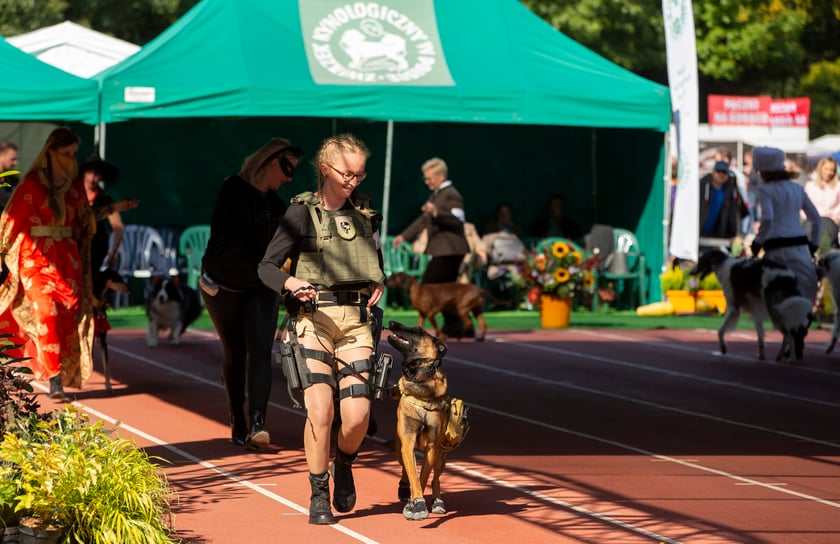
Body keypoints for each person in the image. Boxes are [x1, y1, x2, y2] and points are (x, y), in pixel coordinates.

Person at [258, 133, 384, 525]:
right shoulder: (299, 213)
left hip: (356, 323)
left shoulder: (365, 212)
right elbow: (266, 268)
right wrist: (290, 282)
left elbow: (374, 260)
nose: (353, 182)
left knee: (358, 416)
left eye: (359, 175)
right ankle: (318, 493)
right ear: (326, 169)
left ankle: (344, 461)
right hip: (312, 320)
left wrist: (379, 280)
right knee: (321, 409)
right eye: (347, 174)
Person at [200, 138, 302, 450]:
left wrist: (290, 277)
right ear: (271, 161)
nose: (289, 178)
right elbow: (232, 236)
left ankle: (259, 422)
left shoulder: (278, 206)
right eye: (287, 169)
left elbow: (291, 247)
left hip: (260, 284)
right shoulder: (232, 189)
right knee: (235, 351)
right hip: (224, 283)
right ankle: (237, 417)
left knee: (260, 349)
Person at [0, 127, 96, 400]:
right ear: (50, 152)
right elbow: (12, 219)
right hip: (36, 256)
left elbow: (84, 221)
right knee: (47, 312)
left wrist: (112, 210)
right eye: (66, 153)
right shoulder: (32, 183)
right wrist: (2, 252)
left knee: (67, 314)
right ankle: (55, 380)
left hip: (67, 259)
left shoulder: (75, 186)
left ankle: (59, 370)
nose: (70, 159)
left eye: (73, 154)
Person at [391, 157, 470, 337]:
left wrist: (437, 212)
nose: (427, 182)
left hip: (451, 250)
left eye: (429, 178)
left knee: (430, 287)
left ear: (440, 176)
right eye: (425, 179)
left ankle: (455, 325)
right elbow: (424, 219)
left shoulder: (452, 194)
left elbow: (458, 221)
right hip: (443, 250)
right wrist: (405, 236)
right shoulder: (437, 194)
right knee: (442, 290)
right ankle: (458, 326)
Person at [750, 146, 821, 304]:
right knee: (805, 291)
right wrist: (813, 245)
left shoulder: (765, 190)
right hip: (800, 246)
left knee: (776, 294)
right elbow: (816, 219)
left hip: (776, 248)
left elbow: (768, 219)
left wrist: (757, 243)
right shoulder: (797, 188)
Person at [80, 152, 139, 273]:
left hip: (96, 247)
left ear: (101, 176)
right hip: (75, 245)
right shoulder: (74, 194)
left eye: (97, 174)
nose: (93, 177)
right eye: (90, 172)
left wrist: (113, 252)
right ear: (84, 172)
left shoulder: (104, 199)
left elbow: (118, 227)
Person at [699, 160, 749, 249]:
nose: (721, 174)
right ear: (713, 171)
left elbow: (736, 213)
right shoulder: (702, 186)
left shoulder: (731, 190)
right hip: (699, 231)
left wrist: (735, 233)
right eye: (718, 171)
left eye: (724, 172)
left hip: (717, 234)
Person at [803, 156, 840, 251]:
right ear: (820, 169)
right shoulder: (810, 186)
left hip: (831, 222)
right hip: (812, 221)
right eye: (826, 169)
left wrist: (837, 218)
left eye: (832, 170)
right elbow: (804, 205)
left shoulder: (838, 186)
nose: (829, 172)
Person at [0, 140, 20, 210]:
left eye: (16, 159)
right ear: (1, 155)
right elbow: (4, 201)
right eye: (12, 159)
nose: (15, 163)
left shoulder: (13, 178)